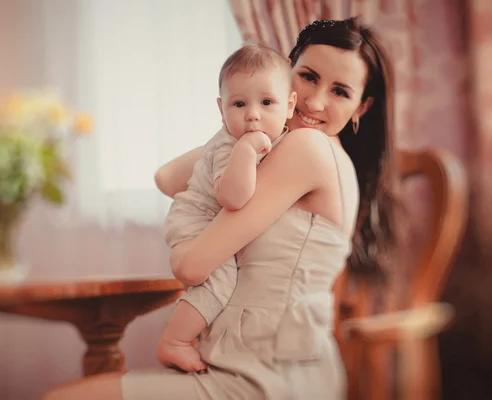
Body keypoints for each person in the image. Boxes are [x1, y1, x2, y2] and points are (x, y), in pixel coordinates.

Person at [43, 16, 398, 400]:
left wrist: (250, 139)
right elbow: (167, 177)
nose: (314, 101)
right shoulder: (293, 148)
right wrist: (249, 127)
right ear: (286, 76)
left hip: (264, 379)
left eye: (340, 91)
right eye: (308, 77)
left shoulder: (308, 148)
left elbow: (190, 265)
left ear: (362, 107)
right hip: (268, 369)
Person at [157, 43, 296, 373]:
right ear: (222, 110)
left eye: (266, 102)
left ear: (290, 105)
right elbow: (234, 199)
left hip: (206, 221)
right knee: (218, 284)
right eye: (239, 103)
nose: (252, 113)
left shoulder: (285, 141)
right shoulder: (229, 145)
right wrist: (246, 152)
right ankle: (174, 341)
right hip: (197, 220)